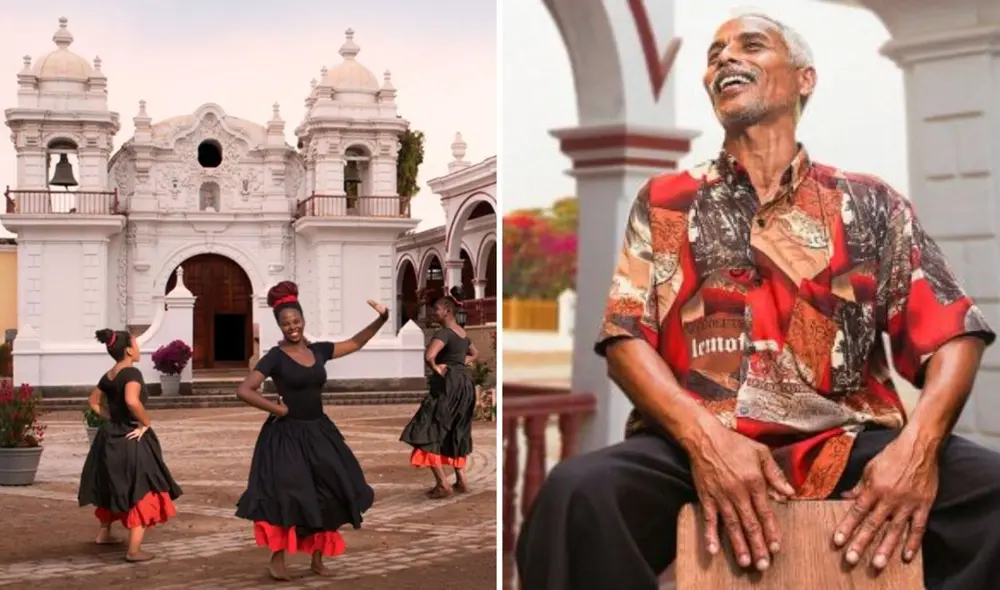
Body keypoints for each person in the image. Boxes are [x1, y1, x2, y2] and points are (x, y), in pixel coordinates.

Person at [516, 12, 1000, 590]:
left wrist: (917, 450)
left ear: (804, 80)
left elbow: (953, 331)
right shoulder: (668, 201)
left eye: (750, 45)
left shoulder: (871, 204)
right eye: (715, 52)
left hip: (846, 442)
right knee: (575, 497)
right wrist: (705, 440)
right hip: (696, 445)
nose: (724, 58)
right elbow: (625, 339)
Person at [234, 280, 388, 581]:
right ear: (279, 326)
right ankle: (277, 558)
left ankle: (317, 558)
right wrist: (278, 409)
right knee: (288, 495)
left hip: (319, 432)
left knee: (329, 490)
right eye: (286, 323)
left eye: (296, 321)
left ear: (303, 320)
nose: (292, 327)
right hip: (286, 437)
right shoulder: (274, 357)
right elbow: (245, 390)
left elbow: (355, 343)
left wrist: (381, 319)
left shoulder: (318, 351)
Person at [78, 329, 183, 563]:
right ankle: (134, 550)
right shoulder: (131, 373)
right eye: (136, 343)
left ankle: (104, 534)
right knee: (141, 487)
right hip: (130, 438)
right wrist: (145, 422)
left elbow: (93, 402)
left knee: (113, 484)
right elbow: (131, 400)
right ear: (128, 350)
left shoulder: (110, 374)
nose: (138, 347)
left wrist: (112, 419)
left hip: (109, 437)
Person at [400, 288, 479, 499]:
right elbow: (475, 354)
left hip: (447, 386)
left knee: (428, 429)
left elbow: (429, 356)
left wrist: (439, 368)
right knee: (456, 429)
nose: (434, 312)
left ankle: (443, 484)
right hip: (465, 385)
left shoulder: (443, 333)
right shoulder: (462, 334)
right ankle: (461, 481)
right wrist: (460, 364)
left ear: (446, 310)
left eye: (436, 308)